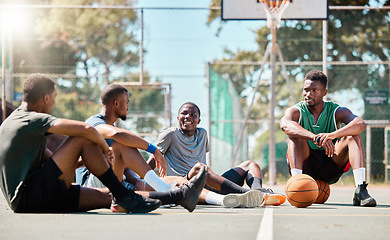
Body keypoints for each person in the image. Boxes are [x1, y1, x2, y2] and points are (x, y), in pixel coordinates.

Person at [0, 74, 162, 213]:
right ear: (46, 98)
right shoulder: (31, 119)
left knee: (108, 196)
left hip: (32, 197)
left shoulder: (16, 122)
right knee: (82, 138)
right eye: (55, 97)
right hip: (30, 195)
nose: (54, 103)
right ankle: (123, 195)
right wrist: (105, 149)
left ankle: (174, 195)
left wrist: (87, 159)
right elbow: (86, 129)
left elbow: (52, 162)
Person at [75, 84, 207, 212]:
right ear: (116, 103)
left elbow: (121, 162)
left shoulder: (111, 127)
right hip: (91, 185)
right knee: (122, 143)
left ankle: (216, 198)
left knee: (175, 180)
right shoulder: (94, 122)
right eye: (126, 102)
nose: (128, 106)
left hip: (114, 182)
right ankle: (166, 191)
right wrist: (154, 150)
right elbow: (117, 134)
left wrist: (136, 179)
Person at [148, 102, 286, 207]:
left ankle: (259, 193)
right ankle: (244, 193)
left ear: (198, 121)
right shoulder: (170, 134)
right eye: (184, 113)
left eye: (193, 115)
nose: (188, 117)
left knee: (251, 164)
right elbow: (154, 157)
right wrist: (139, 178)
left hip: (206, 182)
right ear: (178, 117)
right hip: (186, 184)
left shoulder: (202, 134)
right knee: (200, 168)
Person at [279, 69, 376, 207]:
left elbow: (360, 123)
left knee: (353, 135)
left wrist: (331, 136)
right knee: (294, 135)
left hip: (330, 162)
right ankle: (297, 184)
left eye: (314, 90)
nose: (309, 94)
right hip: (306, 166)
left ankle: (360, 189)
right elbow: (285, 125)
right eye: (306, 90)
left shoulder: (336, 110)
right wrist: (315, 137)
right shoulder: (296, 110)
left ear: (324, 93)